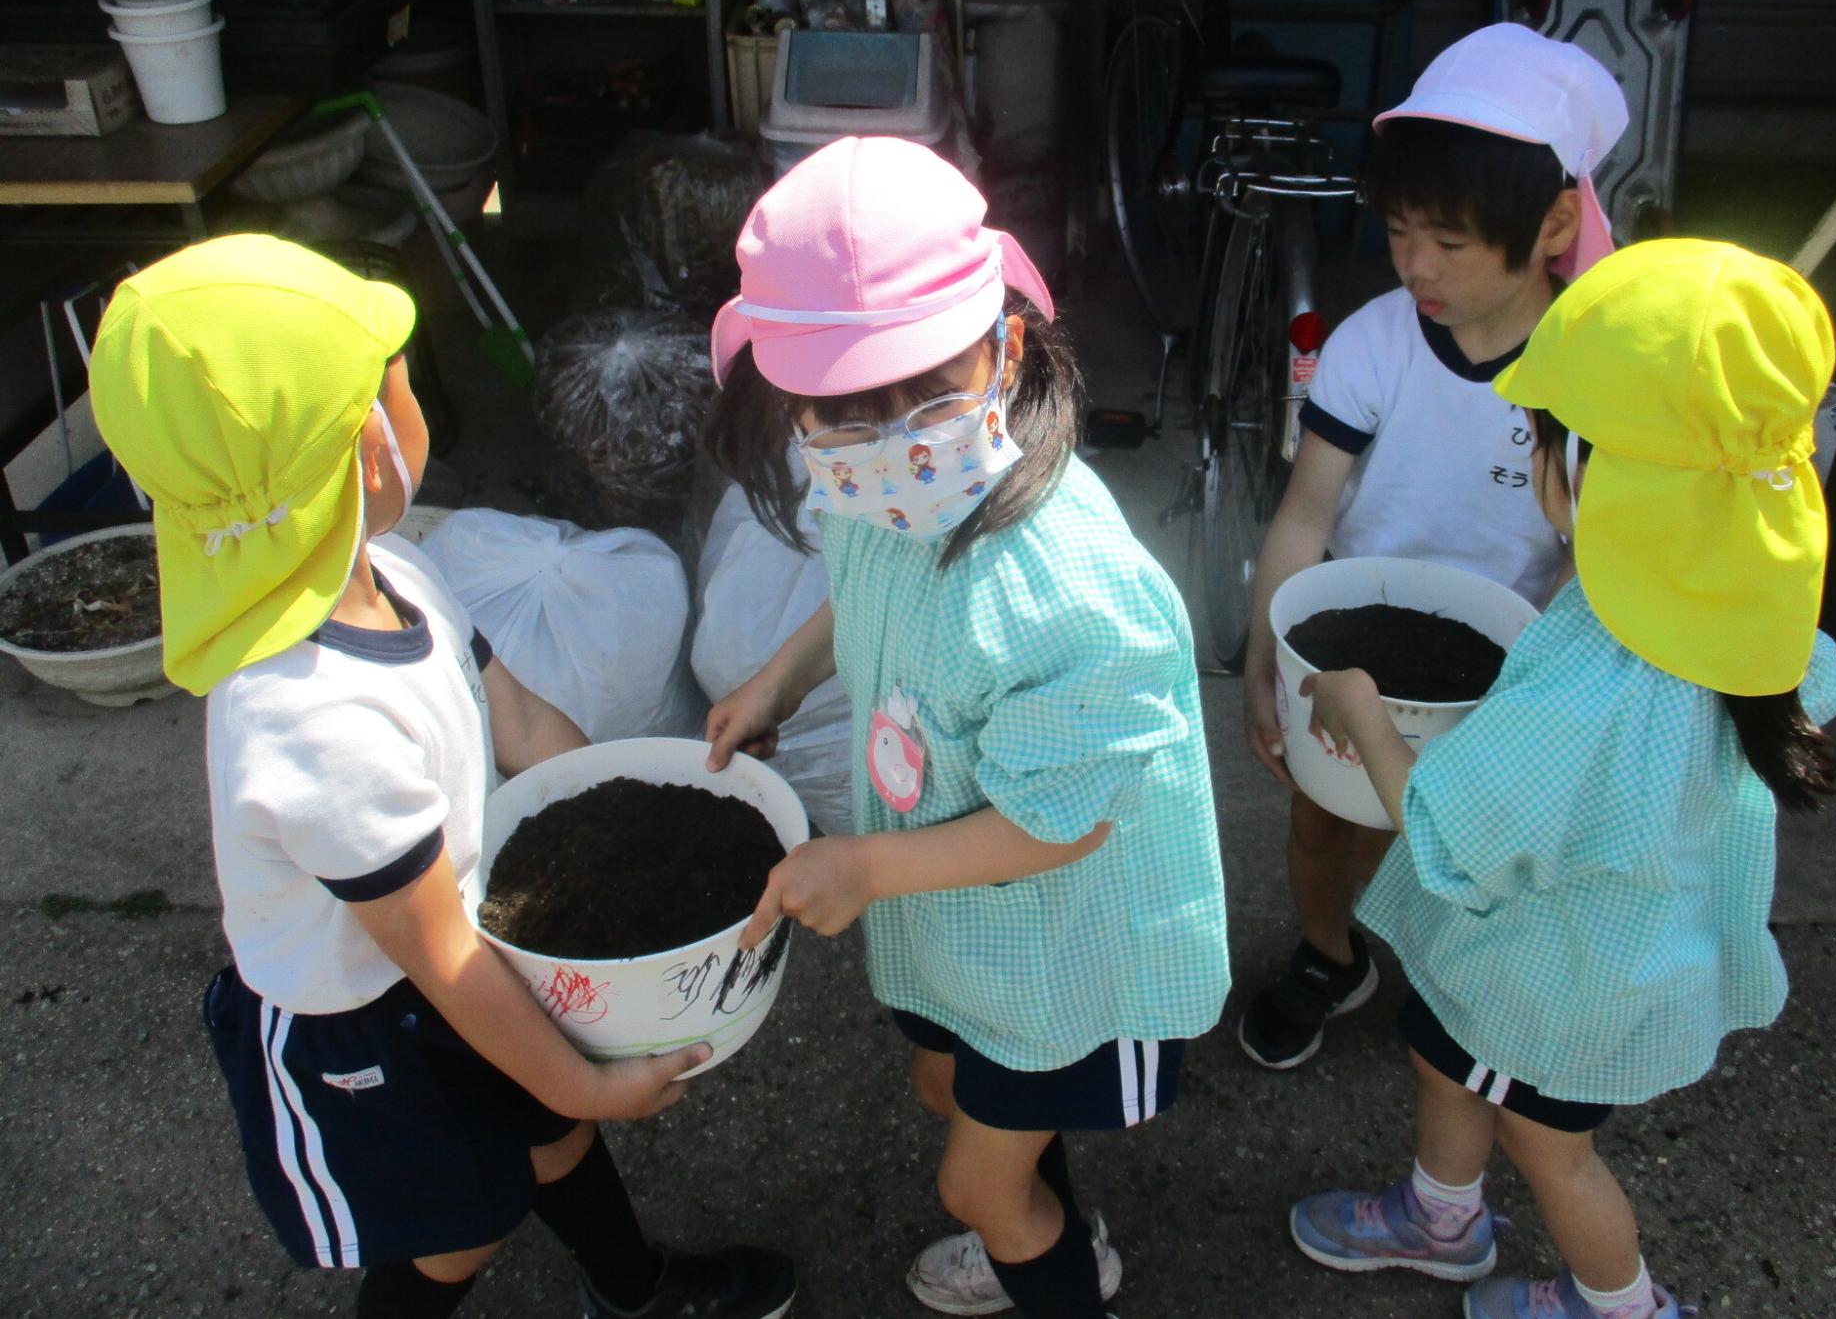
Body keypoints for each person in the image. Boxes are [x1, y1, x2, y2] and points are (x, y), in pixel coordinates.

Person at [87, 235, 796, 1319]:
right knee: (459, 1225)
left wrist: (647, 816)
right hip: (370, 1022)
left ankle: (636, 1286)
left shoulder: (394, 571)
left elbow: (508, 710)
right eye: (399, 378)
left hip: (457, 954)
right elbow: (437, 958)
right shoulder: (314, 724)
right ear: (370, 443)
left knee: (551, 1138)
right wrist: (588, 1078)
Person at [703, 137, 1230, 1319]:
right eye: (841, 414)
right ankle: (1052, 1226)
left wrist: (865, 865)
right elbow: (866, 577)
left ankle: (1035, 1247)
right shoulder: (877, 486)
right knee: (946, 1082)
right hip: (963, 918)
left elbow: (1063, 824)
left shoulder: (1070, 589)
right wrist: (782, 678)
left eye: (927, 392)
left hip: (1068, 943)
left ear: (1006, 341)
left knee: (974, 1187)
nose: (890, 440)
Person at [1285, 239, 1836, 1319]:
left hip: (1546, 983)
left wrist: (1361, 710)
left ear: (1584, 473)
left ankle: (1617, 1302)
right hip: (1627, 944)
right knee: (1441, 1060)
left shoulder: (1595, 684)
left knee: (1553, 1154)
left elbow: (1447, 834)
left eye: (1537, 438)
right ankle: (1440, 1218)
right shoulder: (1744, 607)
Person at [1237, 23, 1631, 1071]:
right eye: (1401, 231)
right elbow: (1306, 514)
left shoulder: (1591, 372)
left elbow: (1581, 561)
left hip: (1508, 663)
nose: (1414, 265)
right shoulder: (1374, 342)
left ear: (1552, 223)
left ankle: (1453, 1000)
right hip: (1353, 646)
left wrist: (1536, 697)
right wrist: (1261, 659)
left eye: (1449, 244)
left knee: (1465, 855)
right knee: (1328, 824)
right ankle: (1330, 955)